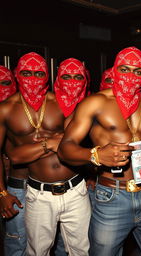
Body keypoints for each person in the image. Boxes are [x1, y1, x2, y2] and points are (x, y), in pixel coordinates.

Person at [58, 46, 141, 256]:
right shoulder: (96, 102)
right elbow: (65, 149)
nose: (130, 76)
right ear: (114, 71)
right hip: (111, 196)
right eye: (125, 69)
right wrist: (94, 155)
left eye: (137, 71)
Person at [0, 52, 91, 256]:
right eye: (26, 73)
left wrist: (28, 150)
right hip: (38, 192)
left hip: (75, 187)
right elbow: (14, 157)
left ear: (47, 76)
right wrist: (2, 193)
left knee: (81, 251)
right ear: (16, 74)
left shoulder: (62, 102)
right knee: (36, 251)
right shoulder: (5, 109)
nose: (32, 79)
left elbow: (74, 144)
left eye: (38, 73)